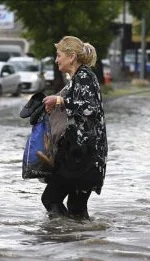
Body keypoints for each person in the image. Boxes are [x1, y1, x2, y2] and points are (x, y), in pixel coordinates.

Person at [42, 36, 108, 219]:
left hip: (82, 158)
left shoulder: (85, 76)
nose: (56, 60)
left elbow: (89, 108)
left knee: (51, 199)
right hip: (85, 157)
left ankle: (62, 240)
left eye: (59, 55)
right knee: (77, 210)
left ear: (71, 57)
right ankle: (84, 243)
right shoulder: (79, 77)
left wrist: (60, 100)